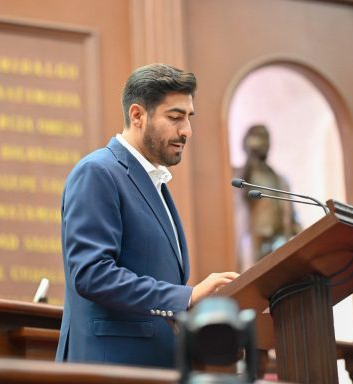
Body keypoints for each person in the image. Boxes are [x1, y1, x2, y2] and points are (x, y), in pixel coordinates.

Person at [56, 63, 239, 368]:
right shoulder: (98, 172)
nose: (186, 131)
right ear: (138, 115)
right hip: (109, 369)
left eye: (189, 117)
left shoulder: (155, 183)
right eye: (175, 117)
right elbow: (91, 273)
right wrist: (185, 298)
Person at [240, 125, 301, 263]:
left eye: (265, 138)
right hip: (256, 246)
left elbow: (292, 216)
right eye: (257, 138)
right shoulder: (242, 178)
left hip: (281, 242)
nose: (262, 143)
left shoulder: (280, 180)